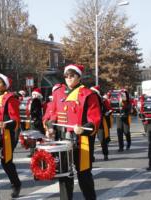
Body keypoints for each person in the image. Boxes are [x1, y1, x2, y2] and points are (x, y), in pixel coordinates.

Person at [44, 64, 101, 200]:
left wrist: (84, 127)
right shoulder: (58, 93)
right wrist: (50, 127)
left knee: (84, 175)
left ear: (79, 77)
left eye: (72, 76)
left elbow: (95, 118)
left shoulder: (88, 94)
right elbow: (51, 114)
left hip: (81, 139)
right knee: (64, 175)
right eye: (66, 76)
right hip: (63, 139)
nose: (68, 78)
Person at [0, 73, 21, 200]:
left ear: (5, 85)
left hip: (6, 135)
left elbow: (15, 119)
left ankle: (16, 184)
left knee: (6, 163)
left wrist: (5, 125)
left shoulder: (10, 98)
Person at [91, 86, 112, 161]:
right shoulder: (89, 99)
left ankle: (105, 154)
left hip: (100, 122)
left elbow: (109, 109)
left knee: (102, 140)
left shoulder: (103, 100)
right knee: (91, 141)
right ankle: (91, 157)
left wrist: (107, 113)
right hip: (91, 122)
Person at [139, 95, 151, 171]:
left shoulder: (145, 99)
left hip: (149, 123)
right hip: (149, 122)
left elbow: (141, 113)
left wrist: (144, 120)